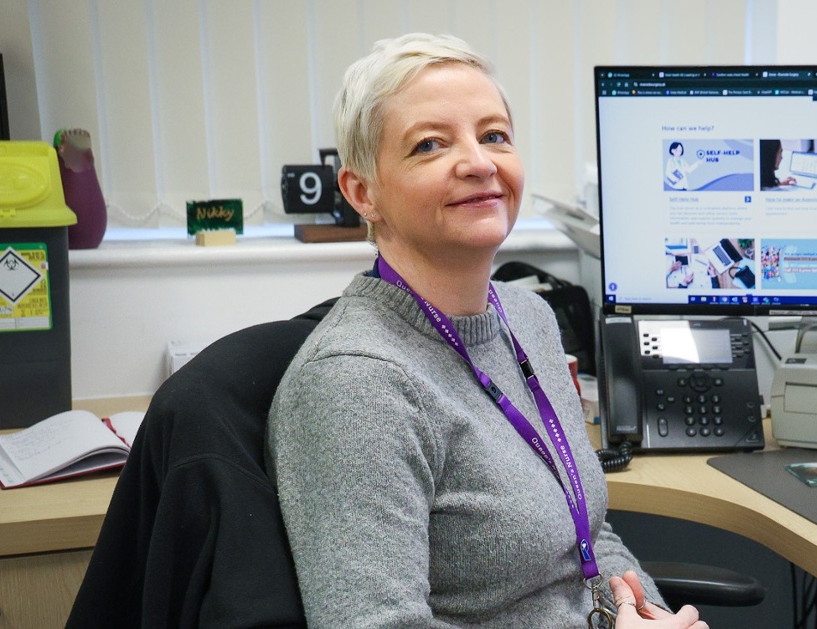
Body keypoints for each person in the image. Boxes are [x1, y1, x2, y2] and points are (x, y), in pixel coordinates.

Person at [267, 33, 706, 628]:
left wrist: (650, 615)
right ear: (361, 192)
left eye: (494, 135)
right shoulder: (355, 385)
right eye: (429, 144)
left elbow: (588, 533)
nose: (479, 162)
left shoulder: (528, 318)